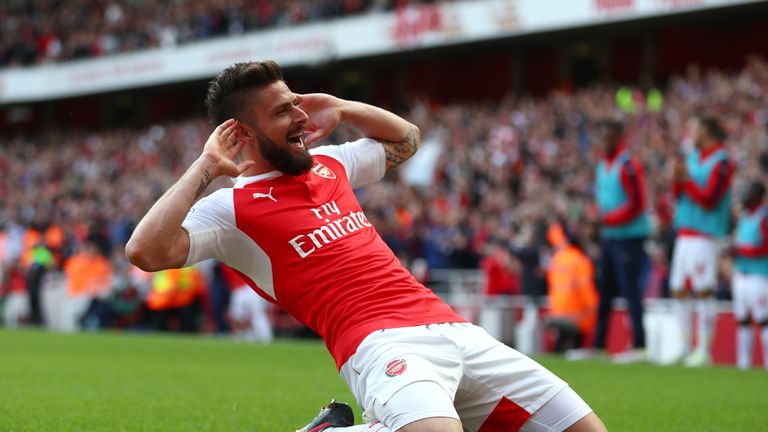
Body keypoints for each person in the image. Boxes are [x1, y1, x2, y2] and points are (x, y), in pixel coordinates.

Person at [126, 60, 606, 432]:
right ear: (243, 134)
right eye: (282, 112)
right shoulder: (233, 210)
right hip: (378, 343)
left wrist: (343, 107)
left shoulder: (329, 164)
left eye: (295, 102)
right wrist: (206, 167)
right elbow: (145, 251)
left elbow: (407, 139)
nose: (299, 116)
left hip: (454, 327)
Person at [670, 114, 734, 367]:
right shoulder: (693, 157)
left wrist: (687, 180)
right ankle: (685, 346)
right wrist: (678, 179)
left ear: (705, 131)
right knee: (678, 288)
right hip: (685, 231)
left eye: (693, 128)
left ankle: (704, 349)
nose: (690, 133)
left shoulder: (722, 161)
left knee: (704, 289)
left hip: (706, 234)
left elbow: (711, 199)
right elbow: (680, 194)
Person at [591, 120, 651, 363]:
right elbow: (604, 199)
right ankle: (597, 345)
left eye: (608, 138)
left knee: (631, 291)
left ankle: (639, 345)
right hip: (610, 237)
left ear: (618, 139)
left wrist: (607, 218)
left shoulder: (628, 166)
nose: (604, 143)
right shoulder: (602, 165)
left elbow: (637, 204)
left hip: (629, 238)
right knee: (604, 291)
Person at [730, 181, 768, 370]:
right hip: (741, 274)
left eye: (749, 191)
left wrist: (742, 250)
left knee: (764, 320)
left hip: (759, 275)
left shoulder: (764, 216)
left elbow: (765, 247)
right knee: (743, 319)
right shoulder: (745, 216)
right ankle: (743, 364)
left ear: (759, 194)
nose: (745, 196)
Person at [545, 222, 598, 354]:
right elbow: (586, 291)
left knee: (560, 345)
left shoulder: (557, 259)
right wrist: (595, 309)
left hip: (555, 313)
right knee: (576, 345)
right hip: (576, 317)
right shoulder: (581, 261)